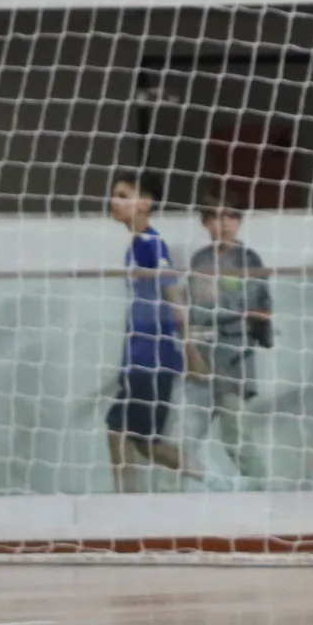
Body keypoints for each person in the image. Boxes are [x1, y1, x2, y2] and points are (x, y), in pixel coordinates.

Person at [105, 172, 203, 492]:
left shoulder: (151, 243)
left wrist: (190, 350)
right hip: (136, 359)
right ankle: (124, 502)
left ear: (145, 202)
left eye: (123, 194)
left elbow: (174, 294)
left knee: (148, 444)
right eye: (114, 195)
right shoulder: (135, 245)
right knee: (118, 429)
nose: (114, 201)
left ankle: (214, 479)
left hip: (153, 359)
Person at [187, 202, 272, 484]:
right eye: (214, 216)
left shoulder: (249, 260)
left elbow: (260, 309)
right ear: (204, 222)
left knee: (235, 434)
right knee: (182, 436)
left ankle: (265, 494)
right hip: (200, 358)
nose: (222, 224)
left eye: (230, 216)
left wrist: (219, 305)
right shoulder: (199, 260)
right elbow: (195, 310)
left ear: (239, 221)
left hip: (235, 359)